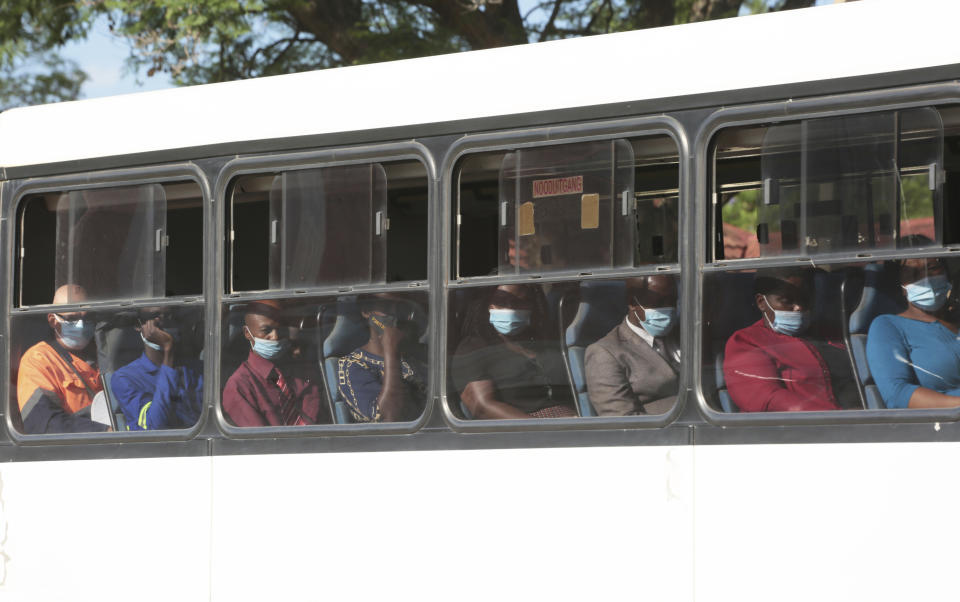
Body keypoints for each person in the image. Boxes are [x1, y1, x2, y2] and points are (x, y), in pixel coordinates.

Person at [723, 268, 860, 412]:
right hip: (801, 430)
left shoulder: (830, 333)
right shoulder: (747, 342)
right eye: (787, 301)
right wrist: (835, 417)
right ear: (761, 302)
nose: (799, 307)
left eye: (805, 299)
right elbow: (768, 398)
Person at [451, 284, 576, 419]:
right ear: (488, 305)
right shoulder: (473, 348)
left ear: (531, 306)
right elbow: (482, 406)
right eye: (501, 301)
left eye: (519, 302)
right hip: (525, 429)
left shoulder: (539, 342)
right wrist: (540, 429)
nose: (510, 307)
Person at [866, 252, 960, 408]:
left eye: (932, 268)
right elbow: (898, 394)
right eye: (912, 273)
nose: (925, 278)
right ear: (902, 286)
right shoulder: (887, 326)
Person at [222, 299, 330, 426]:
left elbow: (316, 422)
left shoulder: (301, 371)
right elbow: (259, 441)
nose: (275, 336)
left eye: (280, 329)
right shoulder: (240, 386)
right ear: (247, 333)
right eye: (266, 331)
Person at [17, 284, 108, 433]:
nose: (81, 325)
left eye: (87, 317)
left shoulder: (104, 351)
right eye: (72, 319)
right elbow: (43, 424)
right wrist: (106, 431)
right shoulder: (37, 360)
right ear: (53, 320)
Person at [584, 275, 680, 416]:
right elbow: (623, 420)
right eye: (658, 303)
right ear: (632, 303)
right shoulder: (605, 353)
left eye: (672, 302)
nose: (667, 309)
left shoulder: (683, 334)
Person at [110, 307, 203, 430]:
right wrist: (167, 349)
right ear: (138, 325)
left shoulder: (195, 369)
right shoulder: (125, 378)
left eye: (169, 316)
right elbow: (155, 426)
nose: (164, 322)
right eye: (156, 317)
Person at [337, 294, 426, 422]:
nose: (395, 315)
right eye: (387, 307)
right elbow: (389, 416)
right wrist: (390, 350)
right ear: (366, 311)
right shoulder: (352, 365)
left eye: (400, 308)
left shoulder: (413, 354)